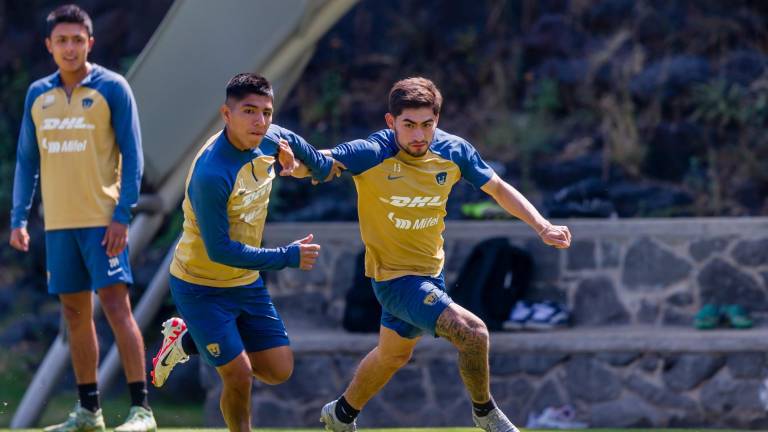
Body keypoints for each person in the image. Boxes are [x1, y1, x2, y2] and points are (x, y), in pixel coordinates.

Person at [315, 77, 572, 432]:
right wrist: (294, 163)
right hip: (393, 278)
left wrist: (542, 226)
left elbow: (497, 187)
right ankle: (485, 413)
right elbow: (322, 160)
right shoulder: (373, 152)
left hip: (429, 273)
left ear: (437, 119)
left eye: (427, 125)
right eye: (409, 125)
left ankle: (341, 413)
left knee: (393, 356)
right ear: (391, 123)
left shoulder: (454, 151)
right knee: (473, 332)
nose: (419, 135)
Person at [149, 72, 335, 432]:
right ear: (226, 114)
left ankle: (185, 340)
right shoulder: (211, 173)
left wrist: (310, 166)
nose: (260, 121)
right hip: (199, 284)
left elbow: (309, 154)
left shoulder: (271, 138)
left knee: (279, 370)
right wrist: (287, 257)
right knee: (239, 375)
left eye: (266, 112)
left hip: (244, 282)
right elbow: (221, 251)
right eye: (249, 111)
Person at [9, 5, 154, 432]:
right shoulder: (38, 95)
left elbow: (134, 158)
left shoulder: (113, 87)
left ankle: (141, 411)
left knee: (116, 308)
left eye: (77, 40)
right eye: (62, 41)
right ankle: (89, 412)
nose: (69, 48)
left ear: (89, 43)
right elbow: (25, 162)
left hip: (102, 222)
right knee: (74, 316)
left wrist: (122, 215)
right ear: (49, 46)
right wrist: (19, 218)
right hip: (58, 226)